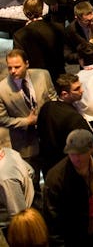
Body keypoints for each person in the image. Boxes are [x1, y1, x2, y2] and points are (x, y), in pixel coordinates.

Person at [43, 129, 93, 246]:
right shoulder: (56, 178)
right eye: (72, 153)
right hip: (76, 238)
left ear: (91, 148)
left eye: (80, 153)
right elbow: (52, 220)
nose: (76, 158)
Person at [0, 49, 57, 187]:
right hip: (25, 144)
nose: (13, 71)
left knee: (54, 179)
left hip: (48, 138)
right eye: (10, 68)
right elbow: (2, 119)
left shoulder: (43, 75)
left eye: (17, 67)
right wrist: (27, 121)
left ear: (27, 64)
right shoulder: (2, 89)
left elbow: (52, 98)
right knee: (32, 183)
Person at [13, 0, 65, 80]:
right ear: (41, 10)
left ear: (25, 12)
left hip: (36, 79)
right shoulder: (58, 27)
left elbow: (20, 60)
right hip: (59, 76)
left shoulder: (19, 35)